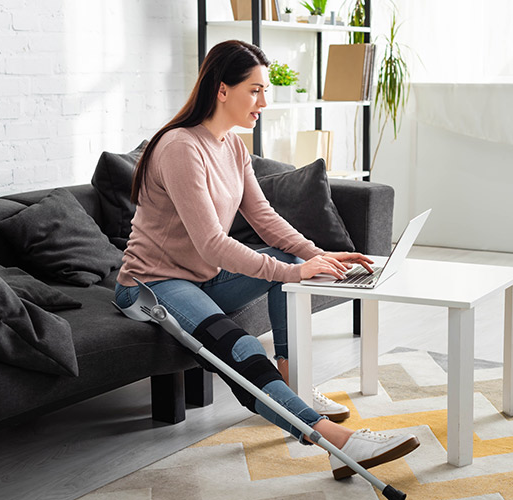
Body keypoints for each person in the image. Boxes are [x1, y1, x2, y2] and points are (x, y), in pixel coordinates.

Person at [114, 39, 419, 479]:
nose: (264, 102)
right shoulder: (181, 147)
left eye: (265, 90)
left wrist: (317, 255)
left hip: (202, 278)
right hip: (152, 284)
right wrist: (292, 269)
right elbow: (212, 244)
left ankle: (293, 384)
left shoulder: (233, 147)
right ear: (222, 90)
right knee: (241, 346)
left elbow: (264, 218)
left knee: (286, 262)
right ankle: (336, 442)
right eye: (255, 90)